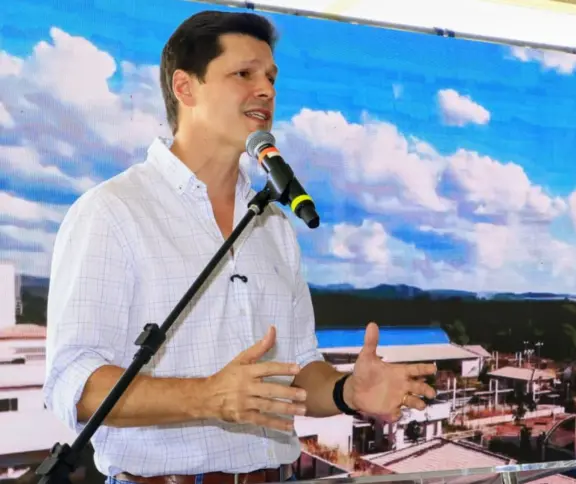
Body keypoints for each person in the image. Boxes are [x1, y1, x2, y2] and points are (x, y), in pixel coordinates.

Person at [43, 9, 437, 484]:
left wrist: (346, 392)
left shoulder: (274, 224)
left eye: (270, 77)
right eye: (243, 74)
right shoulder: (112, 211)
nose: (266, 90)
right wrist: (207, 396)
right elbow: (73, 383)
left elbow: (296, 373)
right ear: (184, 88)